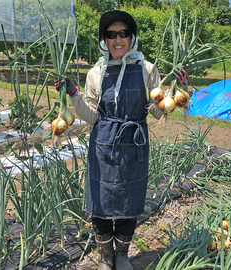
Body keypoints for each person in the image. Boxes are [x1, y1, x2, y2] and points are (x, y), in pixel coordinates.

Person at [55, 10, 185, 270]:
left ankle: (122, 254)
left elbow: (158, 112)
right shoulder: (96, 73)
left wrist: (175, 93)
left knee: (130, 201)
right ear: (104, 40)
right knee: (100, 203)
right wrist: (72, 94)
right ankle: (105, 256)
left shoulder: (147, 69)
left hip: (134, 145)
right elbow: (91, 117)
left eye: (123, 34)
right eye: (111, 34)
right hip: (103, 144)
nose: (117, 39)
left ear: (131, 38)